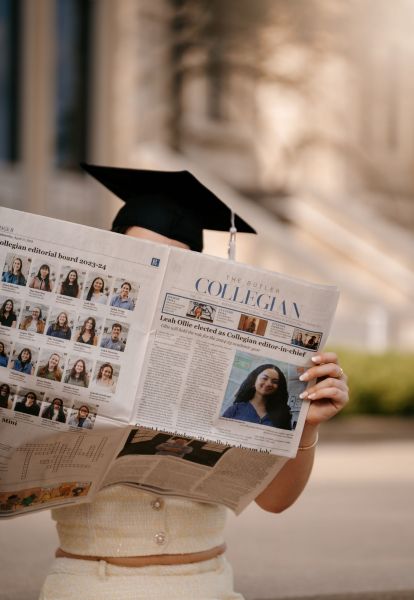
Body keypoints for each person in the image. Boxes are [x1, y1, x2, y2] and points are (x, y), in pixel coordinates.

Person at [40, 164, 349, 600]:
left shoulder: (227, 374)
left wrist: (307, 426)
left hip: (208, 584)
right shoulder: (73, 353)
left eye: (174, 262)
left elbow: (275, 501)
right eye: (143, 259)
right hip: (89, 585)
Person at [222, 364, 292, 429]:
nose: (268, 384)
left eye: (275, 382)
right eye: (264, 378)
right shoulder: (235, 409)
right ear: (254, 380)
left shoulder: (283, 416)